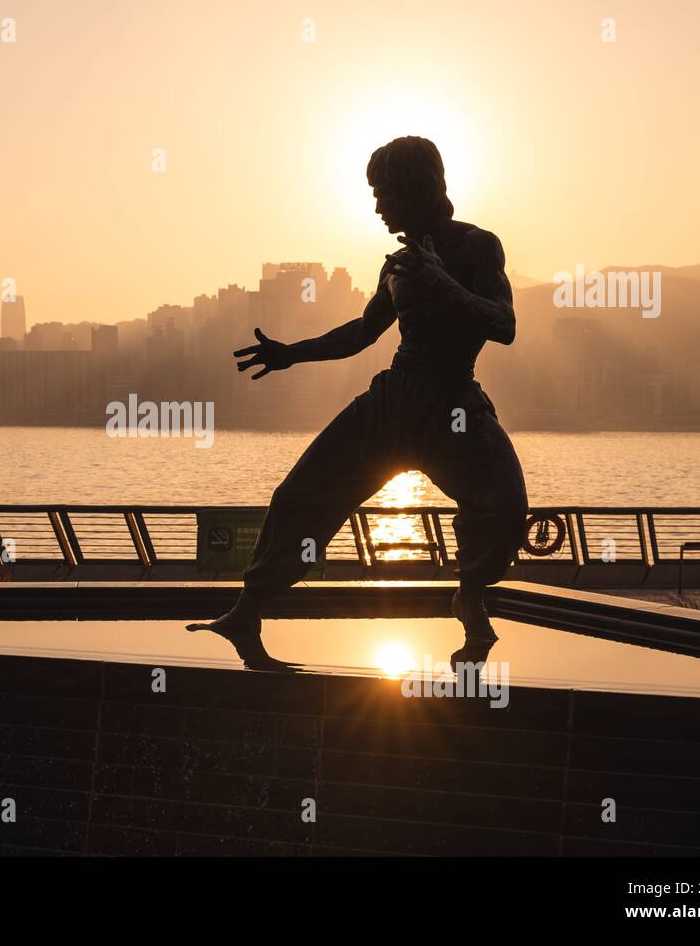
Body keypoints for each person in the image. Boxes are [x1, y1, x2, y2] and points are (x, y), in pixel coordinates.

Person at [190, 135, 528, 644]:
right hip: (393, 402)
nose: (376, 207)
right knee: (299, 495)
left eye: (384, 193)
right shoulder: (395, 265)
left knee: (505, 505)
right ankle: (249, 606)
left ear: (417, 189)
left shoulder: (478, 246)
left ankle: (470, 593)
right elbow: (361, 332)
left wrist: (444, 284)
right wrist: (291, 353)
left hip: (452, 405)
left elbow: (504, 324)